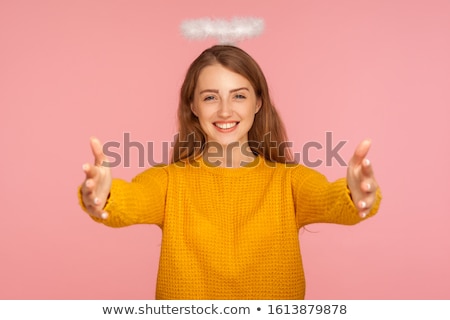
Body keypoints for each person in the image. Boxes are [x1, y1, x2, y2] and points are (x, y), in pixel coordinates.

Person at [79, 45, 382, 299]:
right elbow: (132, 198)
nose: (225, 111)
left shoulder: (289, 181)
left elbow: (330, 198)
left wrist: (356, 193)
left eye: (238, 95)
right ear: (193, 106)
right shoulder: (170, 181)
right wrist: (102, 195)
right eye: (211, 97)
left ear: (258, 102)